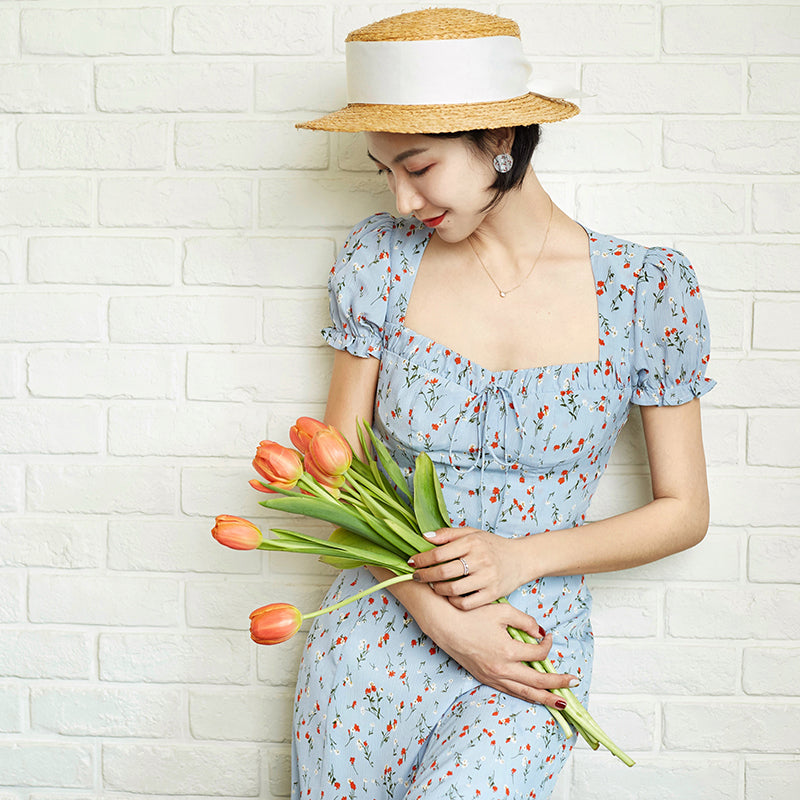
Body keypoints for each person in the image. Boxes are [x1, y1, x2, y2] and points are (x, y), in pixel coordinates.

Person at [290, 7, 714, 798]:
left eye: (417, 167)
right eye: (386, 172)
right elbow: (333, 476)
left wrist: (520, 557)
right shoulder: (381, 259)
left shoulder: (644, 289)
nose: (404, 200)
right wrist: (440, 615)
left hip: (527, 645)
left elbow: (683, 509)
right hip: (380, 628)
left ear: (501, 140)